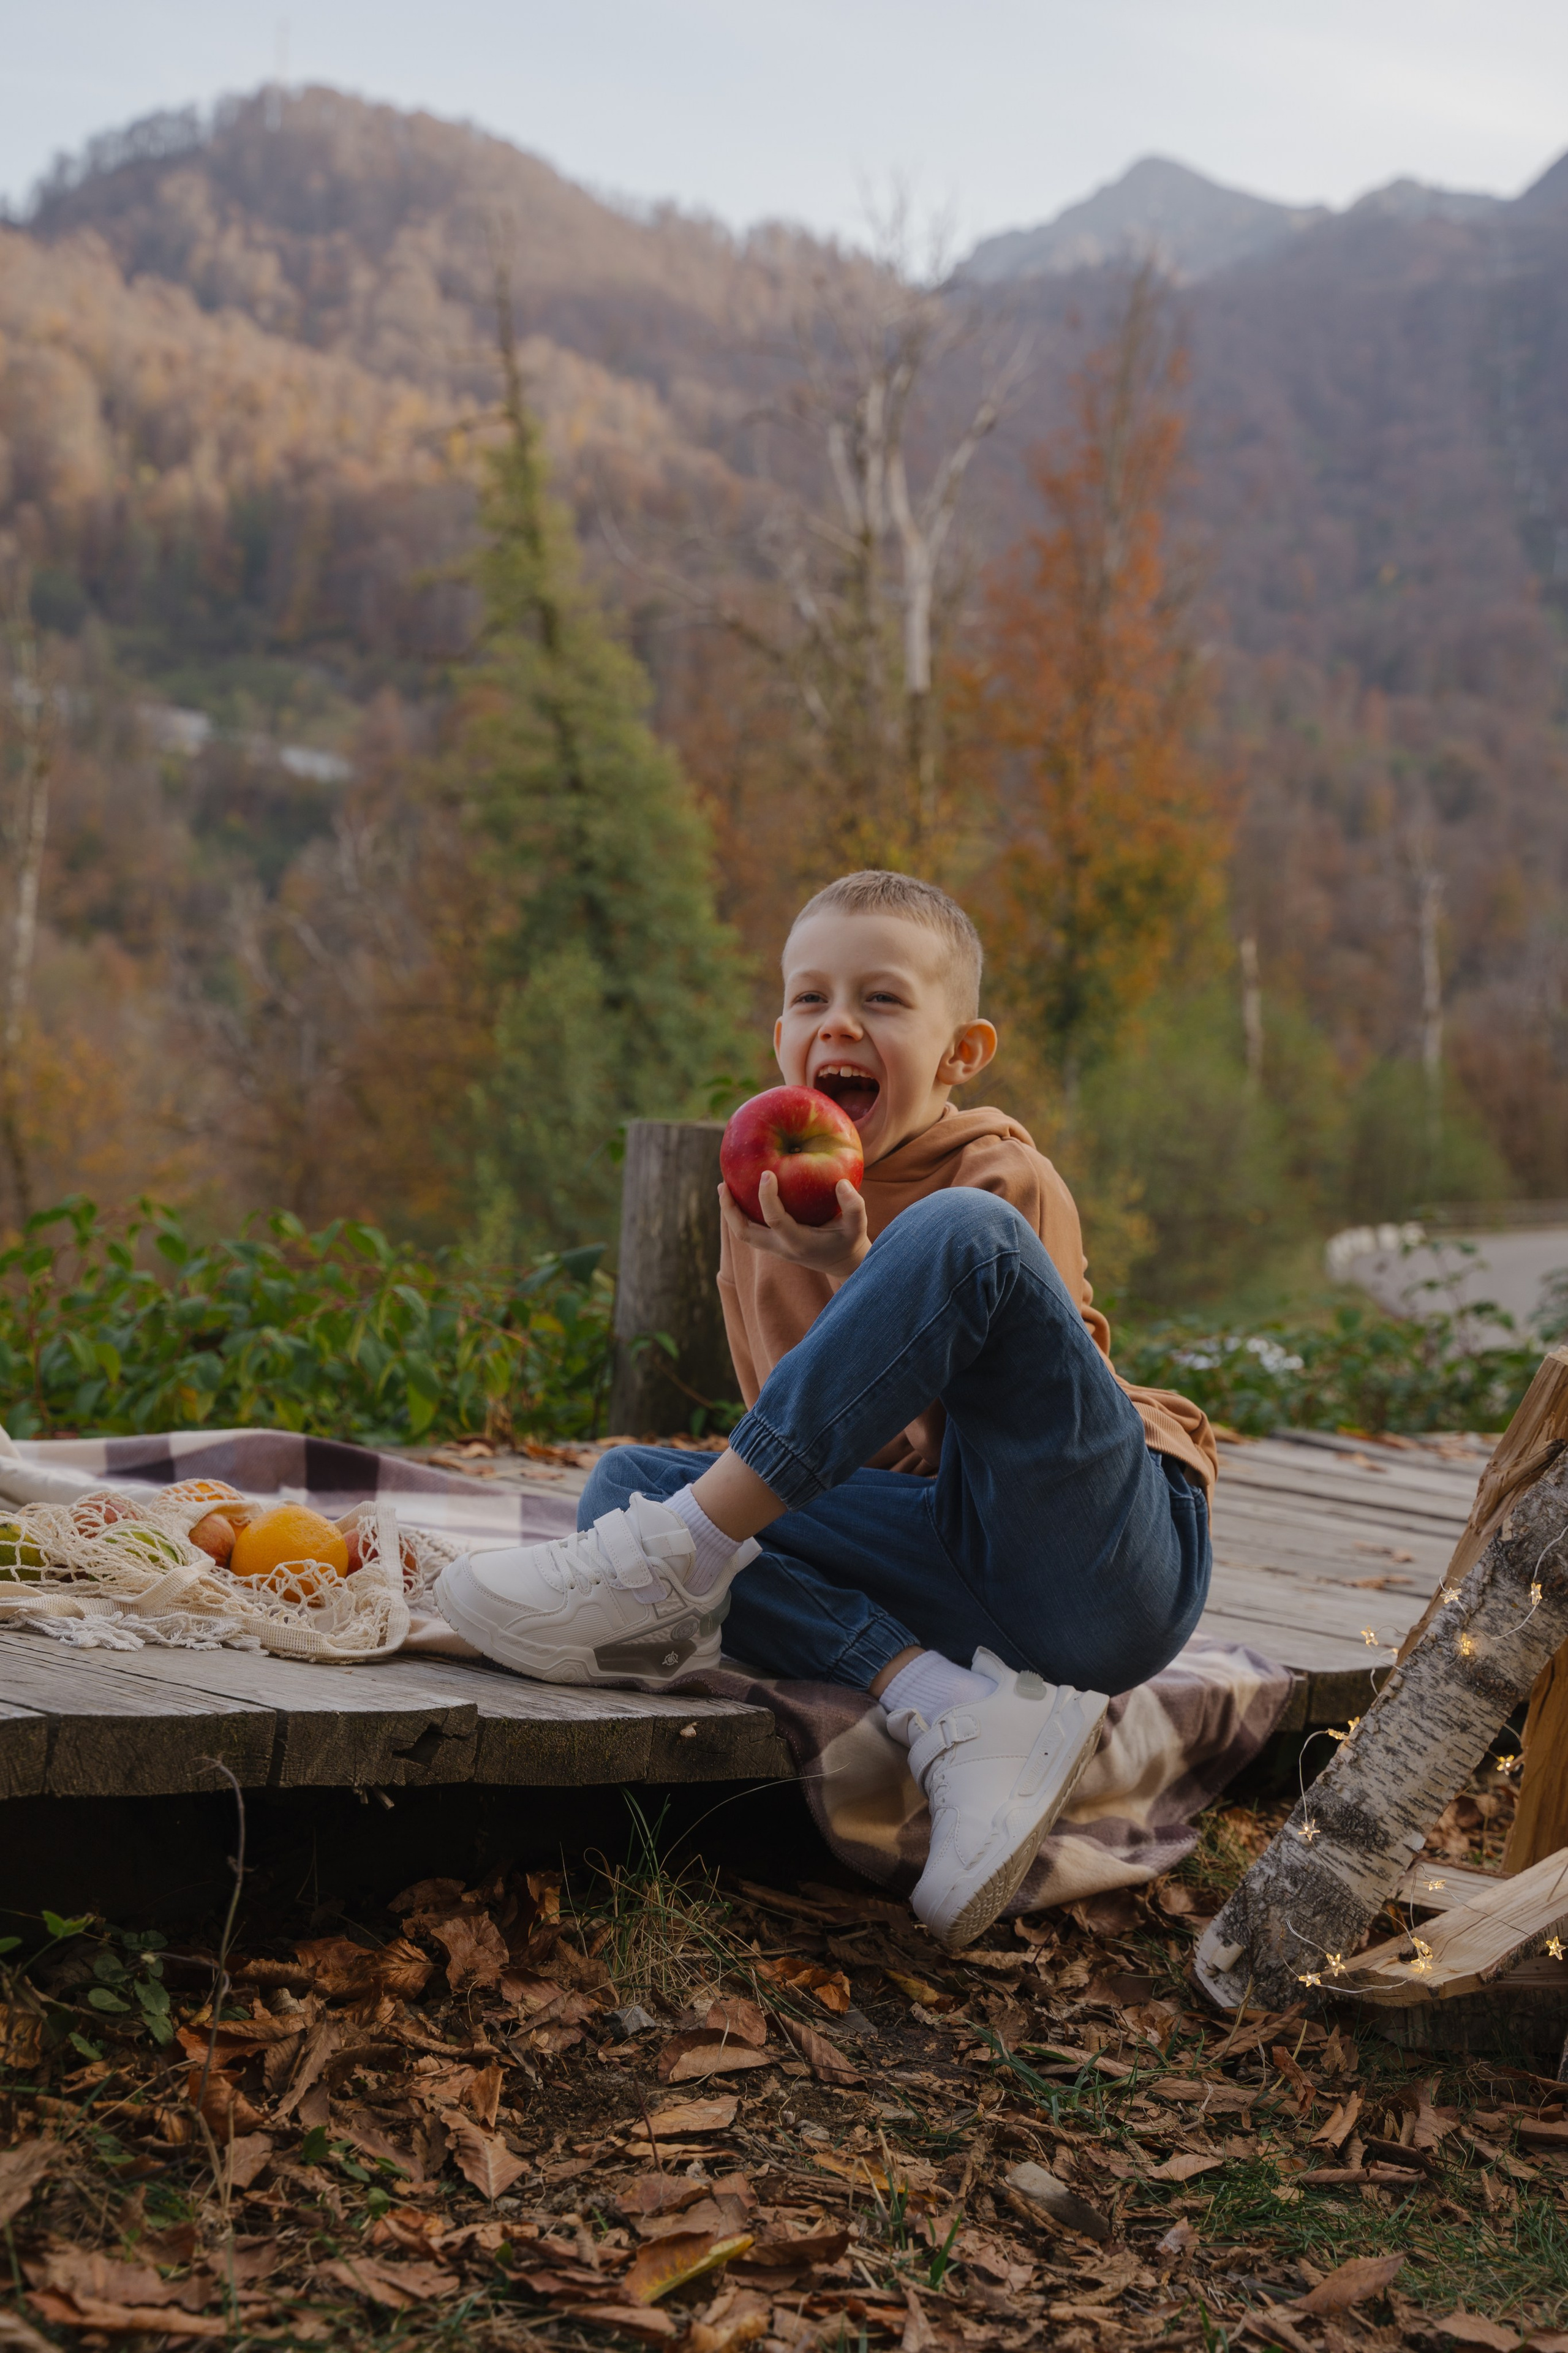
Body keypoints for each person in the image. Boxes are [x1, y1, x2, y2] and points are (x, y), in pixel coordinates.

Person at [437, 871, 1216, 1947]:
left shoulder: (1000, 1178)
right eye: (810, 998)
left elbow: (975, 1451)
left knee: (956, 1237)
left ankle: (679, 1554)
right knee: (627, 1485)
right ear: (780, 1038)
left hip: (1095, 1563)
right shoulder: (762, 1196)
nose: (838, 1022)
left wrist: (857, 1265)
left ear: (962, 1052)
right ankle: (948, 1700)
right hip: (952, 1583)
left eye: (882, 999)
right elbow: (795, 1452)